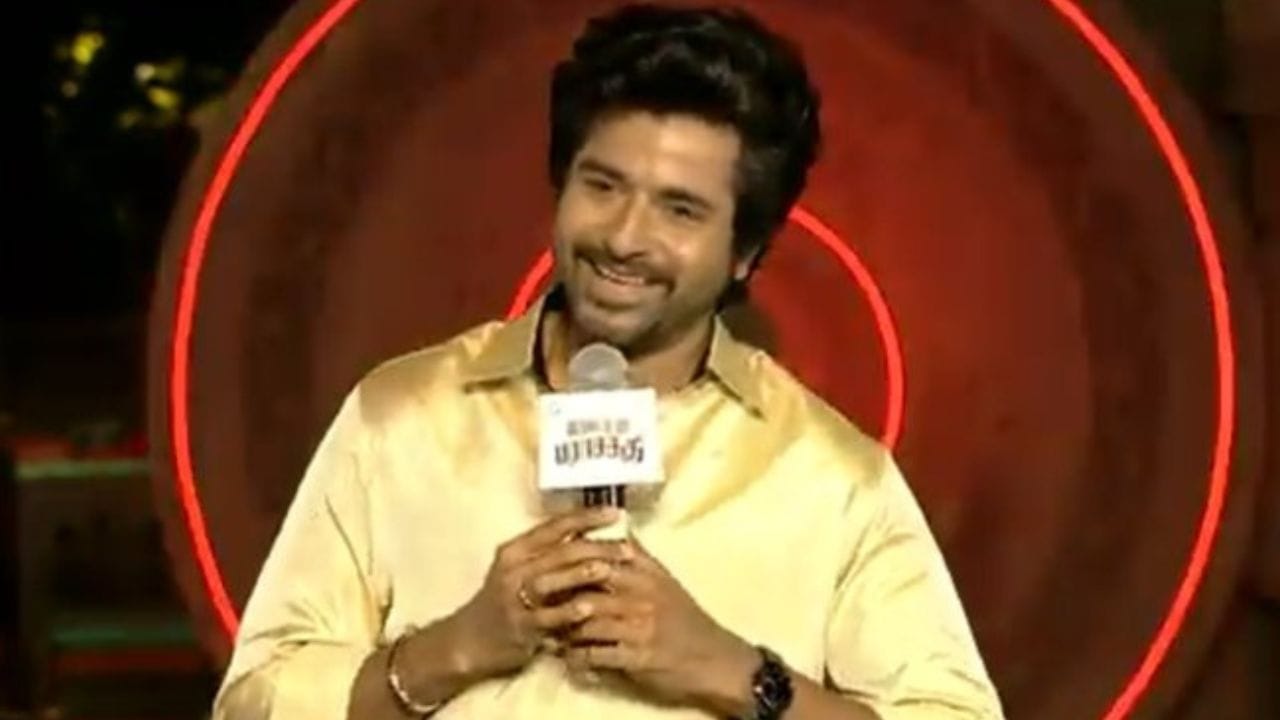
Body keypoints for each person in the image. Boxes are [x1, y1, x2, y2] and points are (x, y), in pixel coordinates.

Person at [212, 4, 1003, 719]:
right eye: (603, 186)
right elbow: (251, 703)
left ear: (745, 251)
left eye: (680, 209)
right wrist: (455, 648)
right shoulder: (401, 417)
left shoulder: (833, 478)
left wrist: (730, 670)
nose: (624, 238)